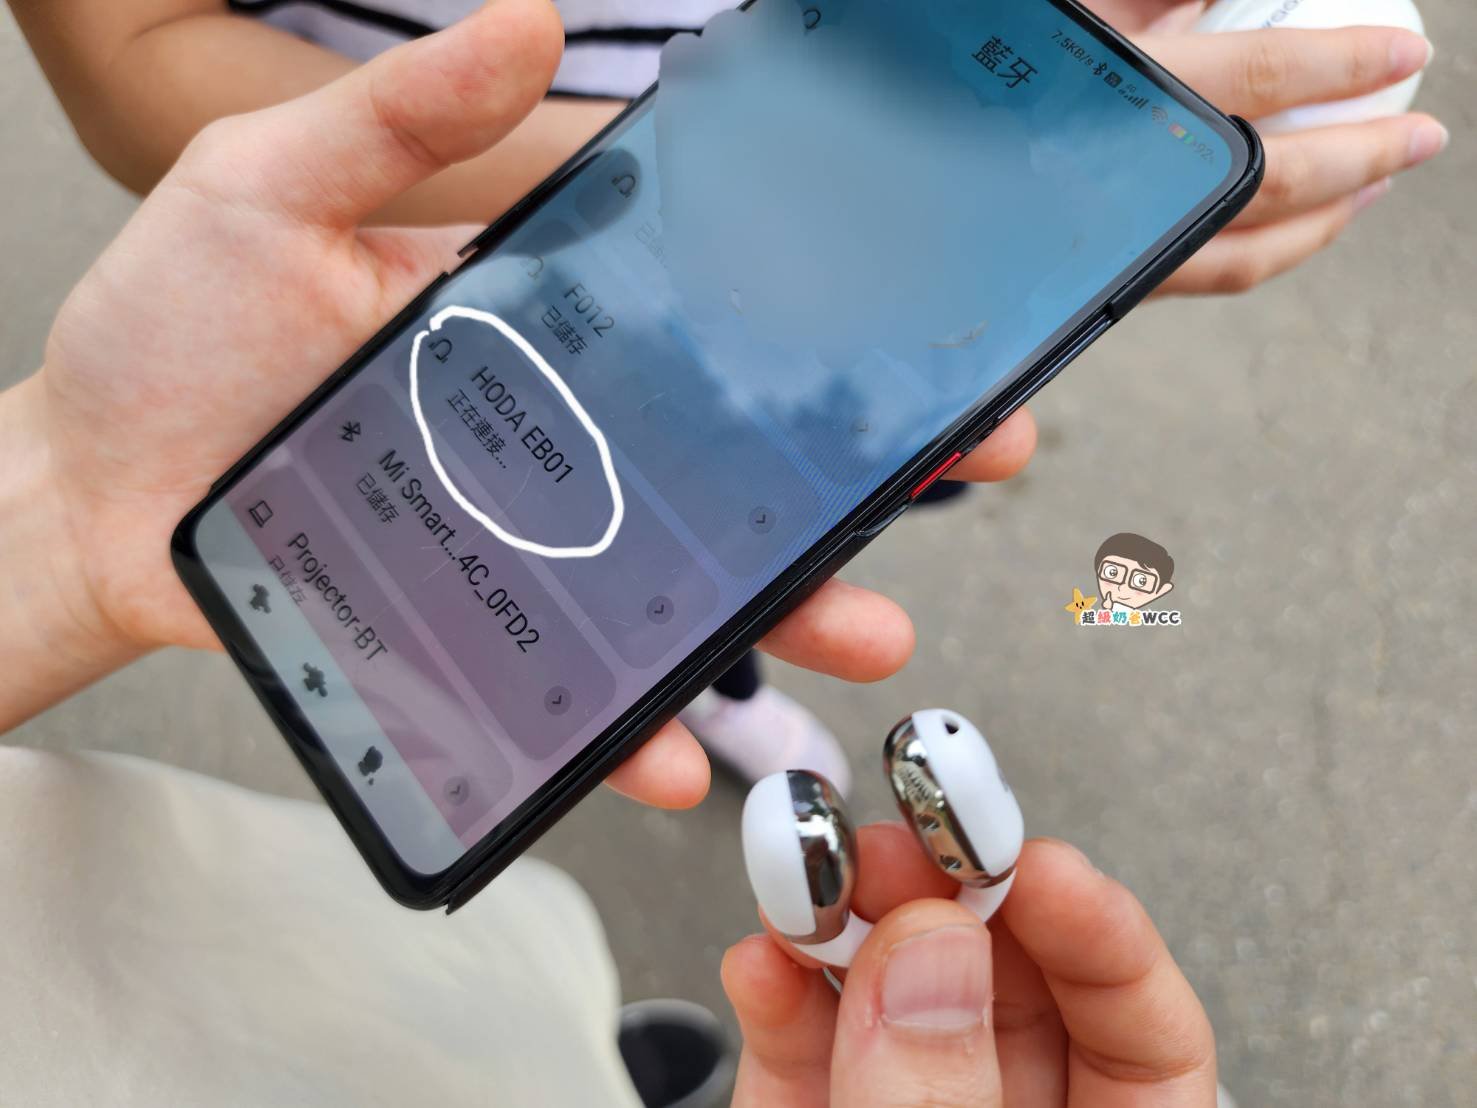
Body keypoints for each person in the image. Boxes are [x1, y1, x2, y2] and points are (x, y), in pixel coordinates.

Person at [6, 0, 1448, 794]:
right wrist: (757, 164)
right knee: (540, 522)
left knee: (744, 533)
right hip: (481, 233)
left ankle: (713, 680)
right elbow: (131, 57)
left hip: (847, 264)